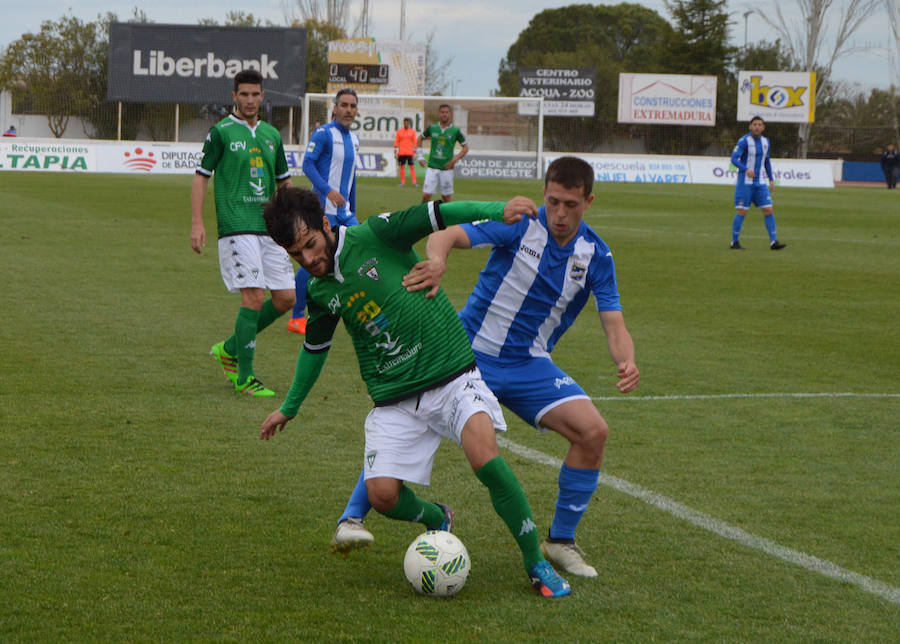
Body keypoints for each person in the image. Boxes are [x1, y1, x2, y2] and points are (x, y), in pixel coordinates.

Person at [334, 156, 640, 579]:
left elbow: (614, 321)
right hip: (462, 355)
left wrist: (625, 359)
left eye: (571, 204)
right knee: (407, 415)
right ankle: (352, 515)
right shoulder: (520, 225)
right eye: (553, 202)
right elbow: (447, 235)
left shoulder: (596, 255)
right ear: (544, 194)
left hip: (529, 363)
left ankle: (560, 541)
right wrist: (437, 261)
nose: (560, 214)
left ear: (588, 201)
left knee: (593, 431)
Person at [258, 186, 572, 598]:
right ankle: (437, 516)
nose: (308, 259)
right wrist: (290, 406)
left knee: (486, 461)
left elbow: (438, 213)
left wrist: (498, 208)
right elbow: (314, 350)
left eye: (311, 245)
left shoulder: (376, 235)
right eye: (296, 254)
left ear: (326, 224)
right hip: (395, 398)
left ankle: (535, 563)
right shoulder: (317, 292)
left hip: (453, 375)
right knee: (382, 496)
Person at [191, 69, 295, 397]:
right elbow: (201, 176)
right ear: (234, 96)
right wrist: (197, 222)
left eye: (255, 94)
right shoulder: (221, 132)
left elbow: (284, 182)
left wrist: (293, 219)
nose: (250, 100)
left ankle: (230, 348)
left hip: (270, 226)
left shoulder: (271, 135)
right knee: (253, 295)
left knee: (285, 298)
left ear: (263, 97)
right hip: (236, 225)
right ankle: (245, 376)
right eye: (244, 94)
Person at [288, 88, 360, 335]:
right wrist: (328, 190)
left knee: (359, 252)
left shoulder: (355, 139)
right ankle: (297, 315)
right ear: (335, 108)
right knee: (313, 260)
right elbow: (307, 164)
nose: (348, 110)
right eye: (344, 105)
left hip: (345, 213)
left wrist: (352, 207)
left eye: (352, 105)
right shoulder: (324, 133)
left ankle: (351, 307)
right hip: (322, 210)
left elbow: (352, 178)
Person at [729, 116, 786, 250]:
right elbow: (734, 159)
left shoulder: (766, 142)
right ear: (750, 126)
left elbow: (767, 161)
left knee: (768, 210)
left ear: (763, 127)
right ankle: (734, 242)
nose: (757, 127)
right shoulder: (744, 141)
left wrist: (771, 179)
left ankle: (774, 242)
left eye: (760, 125)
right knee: (742, 211)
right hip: (745, 183)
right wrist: (745, 169)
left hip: (760, 183)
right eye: (754, 124)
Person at [417, 104, 468, 202]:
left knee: (446, 198)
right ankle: (424, 215)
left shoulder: (455, 131)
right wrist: (420, 156)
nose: (444, 114)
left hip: (446, 169)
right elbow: (420, 138)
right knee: (426, 196)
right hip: (432, 167)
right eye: (442, 112)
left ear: (450, 114)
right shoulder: (432, 128)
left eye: (446, 112)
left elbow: (465, 148)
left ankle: (446, 217)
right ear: (439, 114)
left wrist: (455, 160)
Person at [394, 117, 418, 186]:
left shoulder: (412, 132)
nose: (406, 124)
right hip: (401, 152)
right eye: (405, 123)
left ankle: (414, 182)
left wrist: (415, 152)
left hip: (410, 152)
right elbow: (396, 142)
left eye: (407, 123)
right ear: (403, 123)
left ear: (409, 124)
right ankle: (403, 182)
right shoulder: (399, 131)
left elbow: (415, 142)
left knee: (412, 167)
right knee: (402, 167)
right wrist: (395, 152)